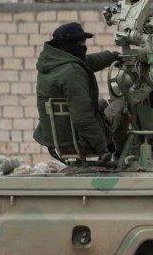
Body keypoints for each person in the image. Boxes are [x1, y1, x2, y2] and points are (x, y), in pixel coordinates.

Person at [32, 22, 120, 163]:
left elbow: (89, 61)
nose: (84, 47)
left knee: (101, 104)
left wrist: (114, 57)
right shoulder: (73, 72)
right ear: (69, 45)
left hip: (58, 136)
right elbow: (82, 116)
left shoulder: (53, 64)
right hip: (78, 140)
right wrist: (102, 148)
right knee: (120, 106)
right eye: (81, 43)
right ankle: (118, 153)